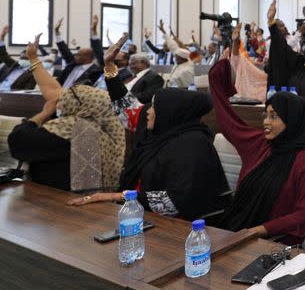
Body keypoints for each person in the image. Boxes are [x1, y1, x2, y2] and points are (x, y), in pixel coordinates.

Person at [209, 58, 305, 243]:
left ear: (293, 119)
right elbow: (228, 122)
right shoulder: (259, 143)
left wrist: (260, 230)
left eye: (274, 117)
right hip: (238, 231)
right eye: (266, 115)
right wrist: (216, 82)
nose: (266, 122)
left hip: (275, 242)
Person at [67, 88, 229, 219]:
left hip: (176, 228)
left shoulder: (192, 145)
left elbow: (174, 203)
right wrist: (110, 69)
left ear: (169, 111)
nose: (147, 112)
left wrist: (113, 197)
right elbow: (124, 108)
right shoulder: (161, 137)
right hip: (140, 213)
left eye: (153, 107)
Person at [8, 41, 125, 191]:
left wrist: (42, 115)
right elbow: (54, 92)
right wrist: (33, 59)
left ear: (75, 105)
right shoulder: (110, 126)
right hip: (95, 203)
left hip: (54, 202)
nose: (61, 103)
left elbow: (17, 140)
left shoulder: (68, 129)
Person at [54, 16, 103, 88]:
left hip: (76, 98)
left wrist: (94, 30)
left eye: (78, 55)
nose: (75, 56)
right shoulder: (73, 64)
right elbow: (65, 51)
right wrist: (57, 32)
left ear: (87, 57)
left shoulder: (95, 71)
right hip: (58, 94)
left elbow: (99, 52)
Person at [0, 26, 36, 90]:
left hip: (9, 97)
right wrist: (2, 38)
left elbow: (26, 92)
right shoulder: (12, 64)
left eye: (25, 58)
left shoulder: (32, 75)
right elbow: (3, 54)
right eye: (21, 58)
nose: (23, 60)